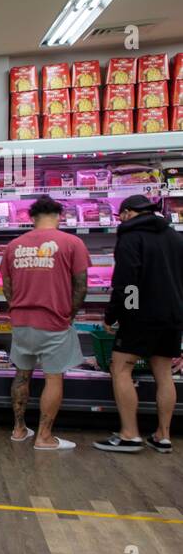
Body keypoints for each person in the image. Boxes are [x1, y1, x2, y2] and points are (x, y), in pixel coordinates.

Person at [95, 194, 183, 454]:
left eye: (120, 214)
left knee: (121, 367)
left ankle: (129, 434)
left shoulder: (130, 237)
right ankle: (163, 435)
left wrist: (116, 315)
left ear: (129, 213)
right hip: (172, 316)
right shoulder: (175, 237)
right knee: (164, 374)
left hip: (141, 315)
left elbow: (126, 282)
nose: (119, 219)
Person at [0, 197, 90, 450]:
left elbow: (8, 286)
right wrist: (68, 315)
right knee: (53, 378)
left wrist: (17, 308)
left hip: (21, 322)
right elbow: (81, 286)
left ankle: (18, 430)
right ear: (59, 215)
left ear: (31, 217)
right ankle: (44, 437)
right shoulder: (73, 243)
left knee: (21, 374)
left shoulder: (14, 245)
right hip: (53, 322)